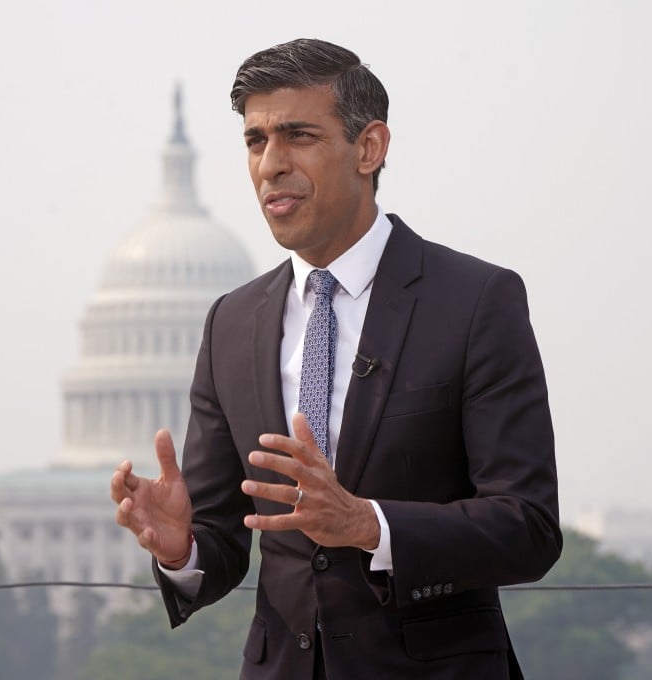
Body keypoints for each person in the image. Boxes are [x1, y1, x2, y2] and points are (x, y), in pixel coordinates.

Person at [111, 38, 561, 679]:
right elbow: (224, 541)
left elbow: (530, 527)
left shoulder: (475, 301)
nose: (271, 164)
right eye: (255, 141)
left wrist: (368, 524)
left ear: (369, 148)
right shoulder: (232, 322)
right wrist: (183, 550)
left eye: (298, 135)